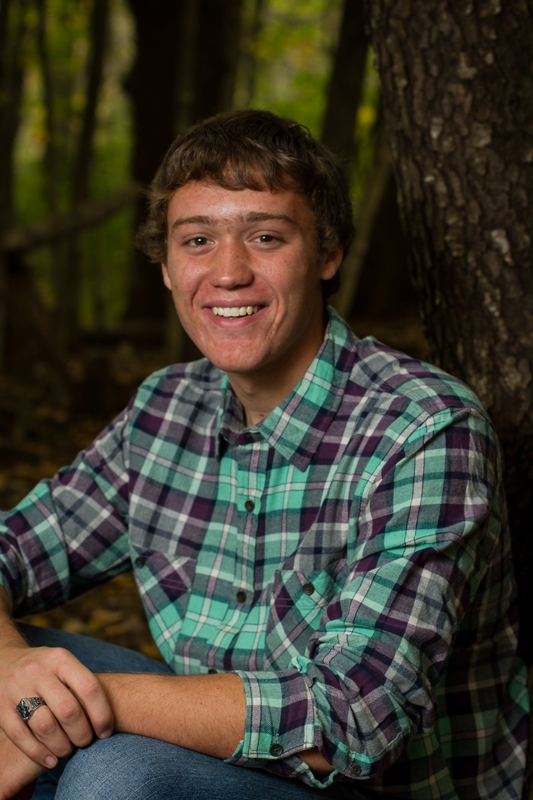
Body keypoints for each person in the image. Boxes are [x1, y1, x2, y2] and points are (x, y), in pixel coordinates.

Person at [0, 110, 528, 800]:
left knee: (114, 773)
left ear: (327, 254)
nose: (228, 272)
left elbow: (357, 721)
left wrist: (70, 706)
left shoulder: (424, 427)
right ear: (166, 267)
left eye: (266, 236)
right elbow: (12, 548)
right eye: (197, 240)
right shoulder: (166, 407)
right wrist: (11, 668)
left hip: (370, 785)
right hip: (222, 757)